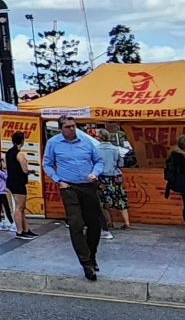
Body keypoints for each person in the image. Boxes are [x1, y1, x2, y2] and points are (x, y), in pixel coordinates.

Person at [43, 116, 105, 279]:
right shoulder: (54, 143)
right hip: (69, 187)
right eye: (68, 127)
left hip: (87, 185)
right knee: (76, 223)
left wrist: (95, 173)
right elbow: (47, 164)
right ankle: (86, 263)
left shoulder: (85, 141)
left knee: (95, 224)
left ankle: (91, 256)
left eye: (73, 126)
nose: (72, 129)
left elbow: (98, 161)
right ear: (61, 129)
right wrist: (58, 180)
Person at [95, 136, 131, 237]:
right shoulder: (116, 149)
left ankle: (109, 222)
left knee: (104, 200)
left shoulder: (96, 149)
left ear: (100, 138)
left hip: (102, 177)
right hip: (115, 176)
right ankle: (127, 223)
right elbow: (121, 163)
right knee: (120, 198)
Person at [6, 131, 35, 239]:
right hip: (19, 182)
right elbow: (25, 169)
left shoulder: (9, 153)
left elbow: (5, 166)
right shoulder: (20, 154)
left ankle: (25, 229)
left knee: (22, 208)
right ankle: (19, 231)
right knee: (19, 208)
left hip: (12, 182)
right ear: (22, 141)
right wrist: (31, 171)